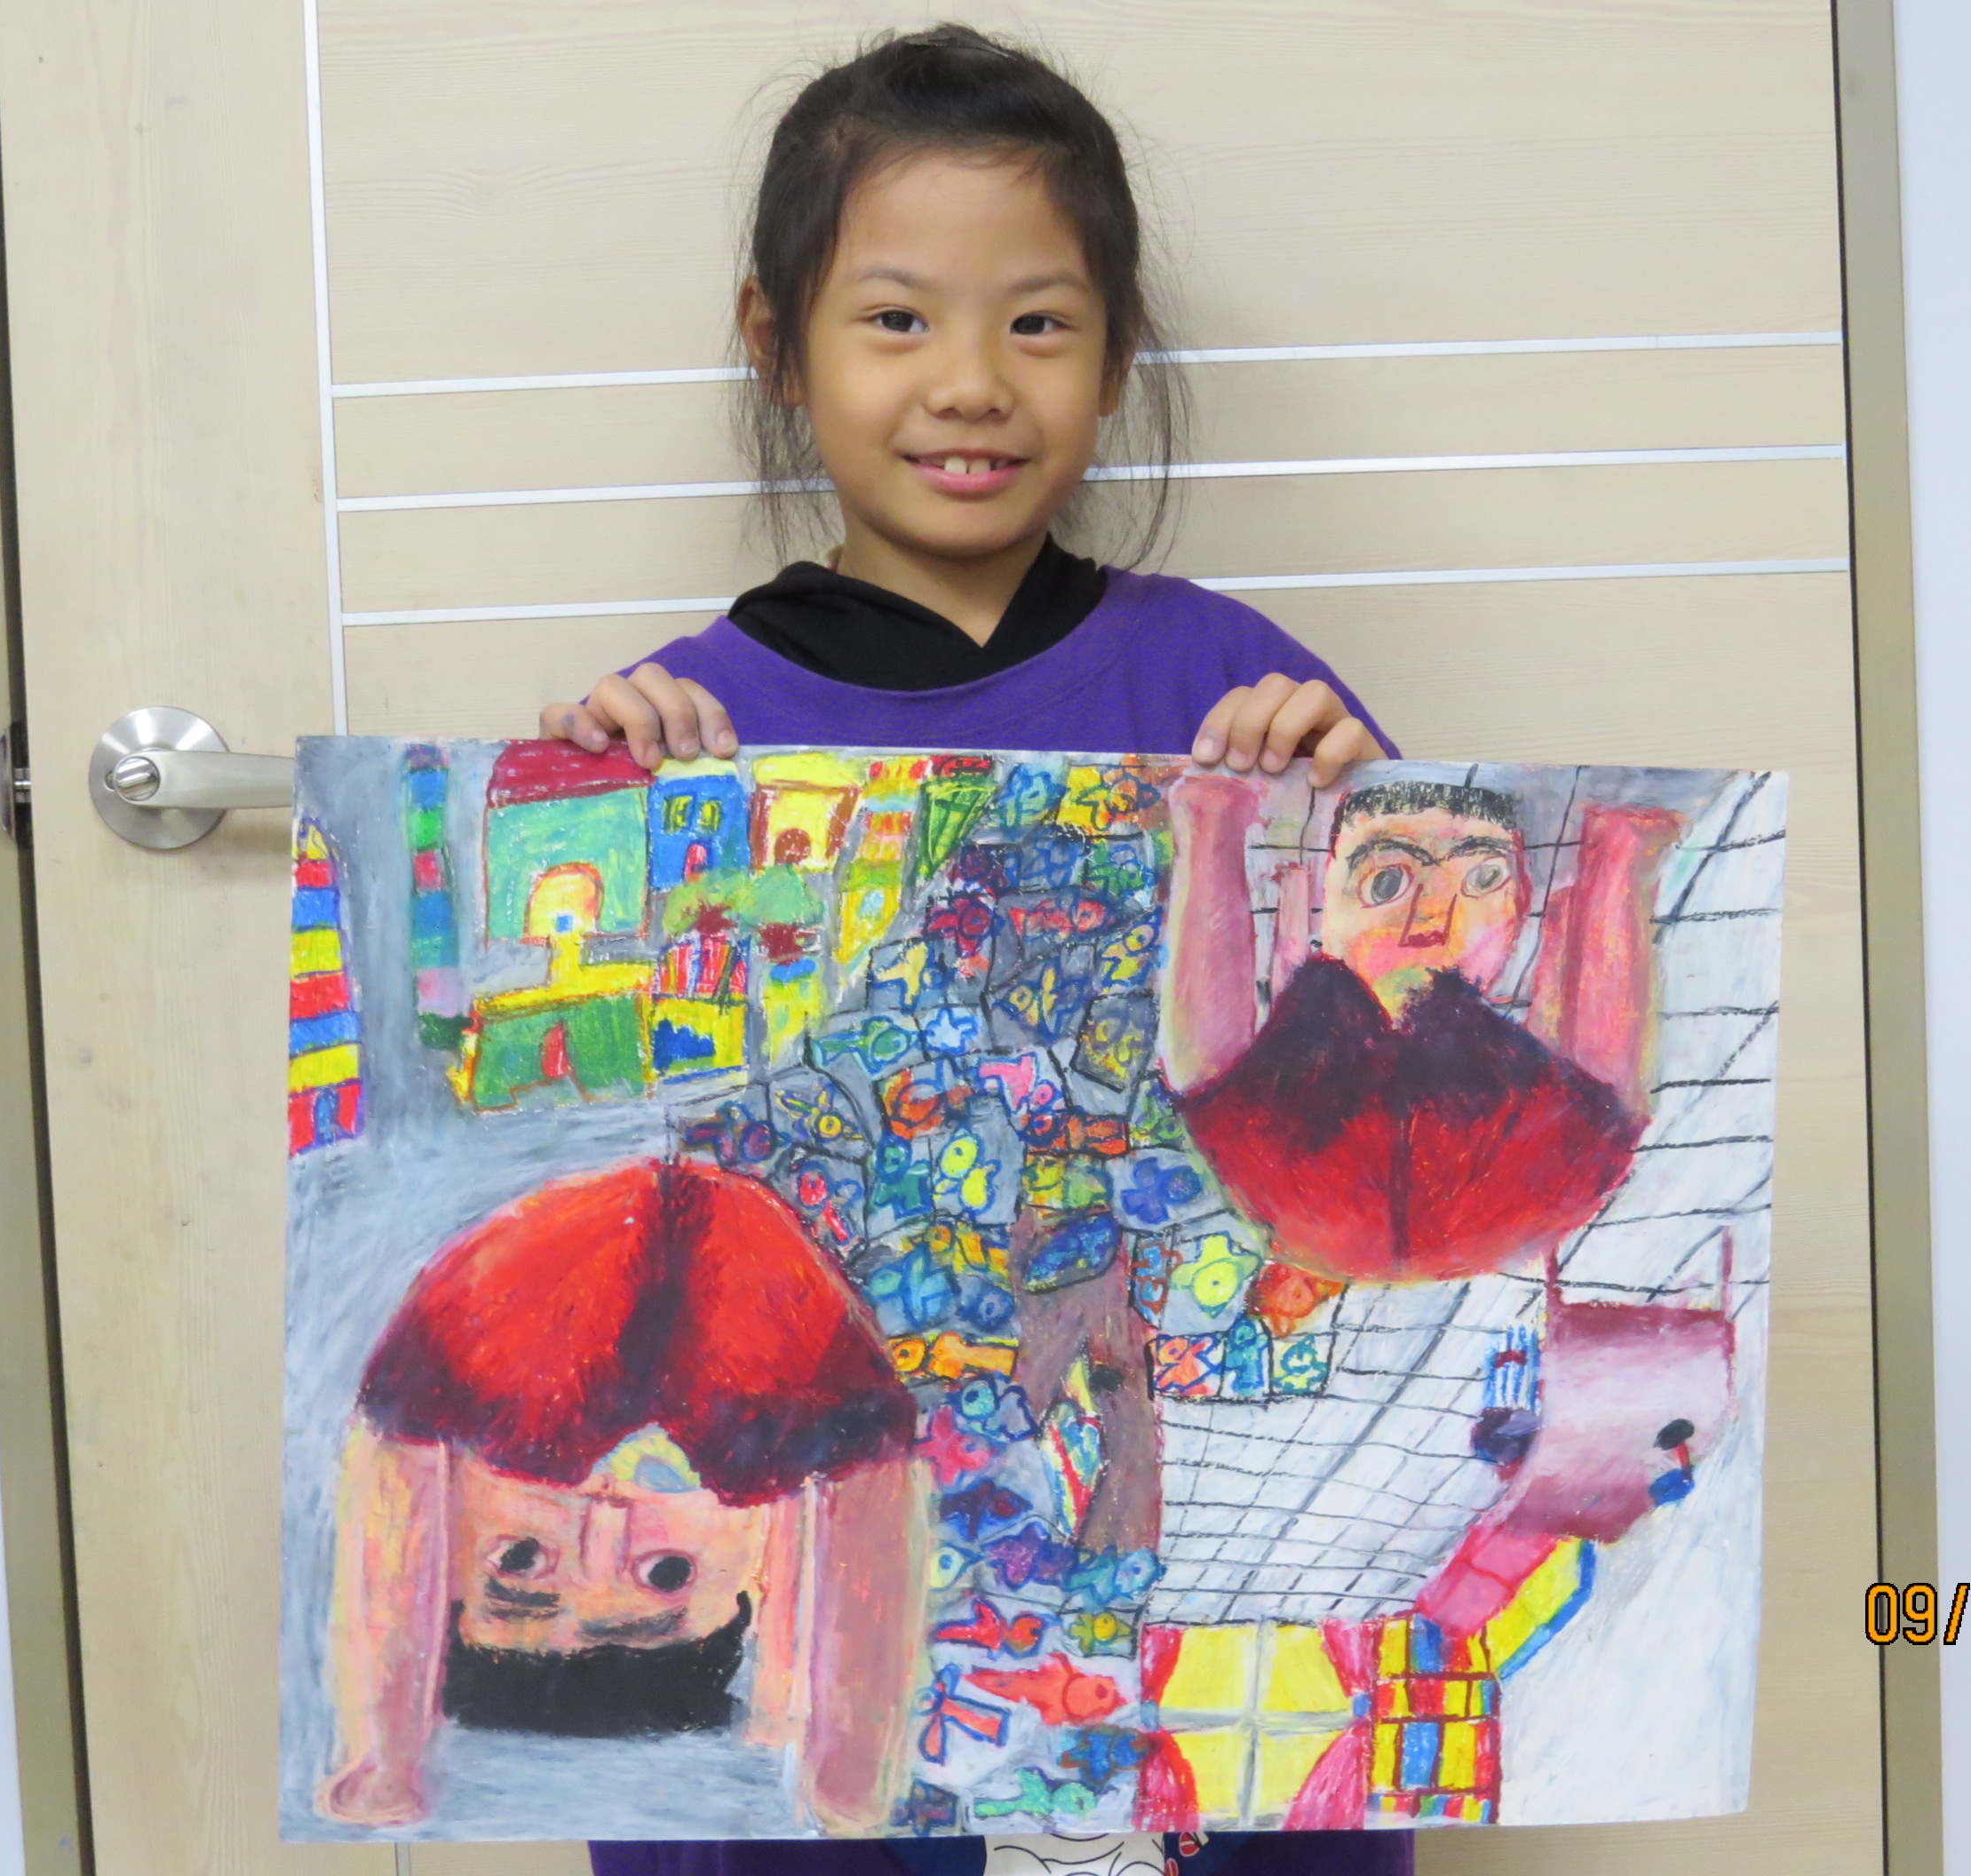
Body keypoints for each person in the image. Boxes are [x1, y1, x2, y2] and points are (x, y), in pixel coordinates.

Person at [534, 25, 1403, 1876]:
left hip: (1141, 1524)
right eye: (896, 318)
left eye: (1038, 322)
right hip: (826, 1587)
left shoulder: (1231, 690)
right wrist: (584, 820)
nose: (970, 383)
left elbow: (1382, 1095)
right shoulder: (690, 731)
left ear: (1116, 353)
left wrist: (1346, 812)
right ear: (776, 345)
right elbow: (598, 1165)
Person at [318, 1158, 925, 1835]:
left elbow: (388, 1503)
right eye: (666, 1572)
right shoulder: (801, 1409)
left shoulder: (447, 1372)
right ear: (765, 1558)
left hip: (542, 1261)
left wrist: (386, 1758)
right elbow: (870, 1525)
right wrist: (842, 1772)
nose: (602, 1523)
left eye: (519, 1560)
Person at [1160, 777, 1685, 1286]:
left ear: (1520, 906)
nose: (1435, 916)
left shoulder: (1561, 1129)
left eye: (1484, 880)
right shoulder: (1255, 1112)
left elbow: (1199, 1071)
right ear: (1325, 900)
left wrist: (1621, 857)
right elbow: (1200, 1072)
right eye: (1387, 883)